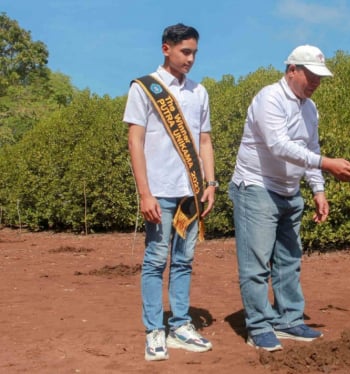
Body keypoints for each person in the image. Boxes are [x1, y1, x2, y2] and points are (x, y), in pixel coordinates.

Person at [228, 45, 350, 352]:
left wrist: (318, 189)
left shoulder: (310, 109)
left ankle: (288, 319)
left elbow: (310, 149)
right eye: (310, 75)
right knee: (257, 263)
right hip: (256, 187)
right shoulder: (269, 98)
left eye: (319, 77)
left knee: (289, 260)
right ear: (292, 70)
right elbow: (279, 145)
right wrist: (327, 164)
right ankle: (258, 326)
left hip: (289, 191)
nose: (315, 82)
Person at [123, 23, 215, 361]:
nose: (190, 59)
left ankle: (179, 325)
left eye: (194, 53)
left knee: (184, 261)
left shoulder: (199, 91)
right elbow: (135, 140)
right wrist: (144, 193)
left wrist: (210, 183)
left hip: (189, 192)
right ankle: (154, 330)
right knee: (155, 260)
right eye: (185, 52)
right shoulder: (145, 88)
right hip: (158, 192)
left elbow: (204, 140)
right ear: (166, 49)